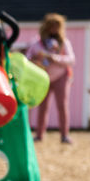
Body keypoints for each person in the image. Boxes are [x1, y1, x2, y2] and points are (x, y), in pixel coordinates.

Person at [23, 13, 75, 144]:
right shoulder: (37, 43)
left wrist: (54, 58)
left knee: (62, 106)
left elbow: (71, 59)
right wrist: (36, 60)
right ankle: (39, 134)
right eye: (51, 26)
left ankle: (64, 135)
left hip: (60, 76)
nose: (54, 29)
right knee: (42, 106)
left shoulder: (64, 43)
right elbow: (28, 58)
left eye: (57, 26)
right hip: (43, 78)